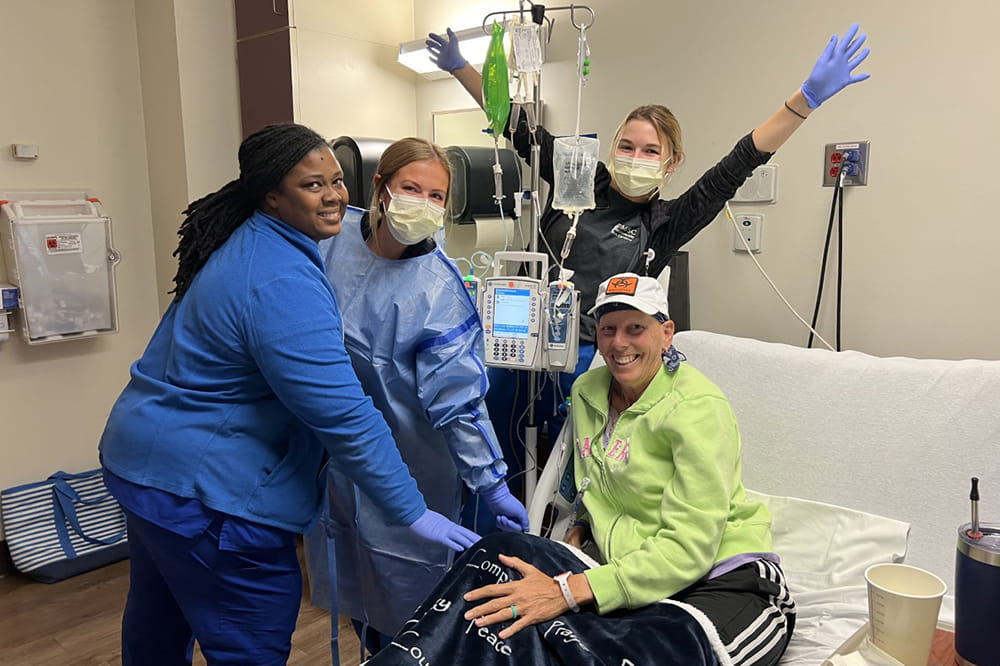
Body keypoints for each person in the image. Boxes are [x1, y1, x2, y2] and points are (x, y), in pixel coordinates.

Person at [97, 123, 479, 666]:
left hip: (143, 462)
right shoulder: (281, 280)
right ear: (271, 195)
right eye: (312, 186)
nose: (332, 197)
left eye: (337, 181)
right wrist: (413, 511)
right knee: (248, 639)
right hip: (206, 491)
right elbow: (344, 415)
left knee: (158, 619)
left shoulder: (249, 240)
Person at [426, 23, 872, 479]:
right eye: (627, 146)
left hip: (585, 360)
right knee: (489, 459)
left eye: (649, 151)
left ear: (670, 162)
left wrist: (805, 100)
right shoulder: (581, 178)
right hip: (519, 342)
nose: (635, 157)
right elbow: (520, 128)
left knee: (561, 474)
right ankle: (484, 536)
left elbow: (738, 163)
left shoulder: (664, 224)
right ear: (611, 147)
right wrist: (462, 69)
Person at [365, 273, 794, 666]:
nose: (619, 343)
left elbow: (691, 547)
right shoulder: (589, 390)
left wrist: (566, 591)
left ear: (666, 334)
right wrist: (583, 530)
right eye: (608, 329)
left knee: (640, 650)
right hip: (617, 565)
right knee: (492, 556)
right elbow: (597, 478)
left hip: (719, 578)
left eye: (635, 328)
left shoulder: (697, 411)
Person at [304, 137, 530, 655]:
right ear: (380, 187)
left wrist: (491, 485)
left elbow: (459, 405)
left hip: (413, 464)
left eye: (436, 196)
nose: (423, 204)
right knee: (350, 583)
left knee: (406, 601)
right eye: (411, 188)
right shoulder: (328, 242)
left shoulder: (439, 291)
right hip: (332, 458)